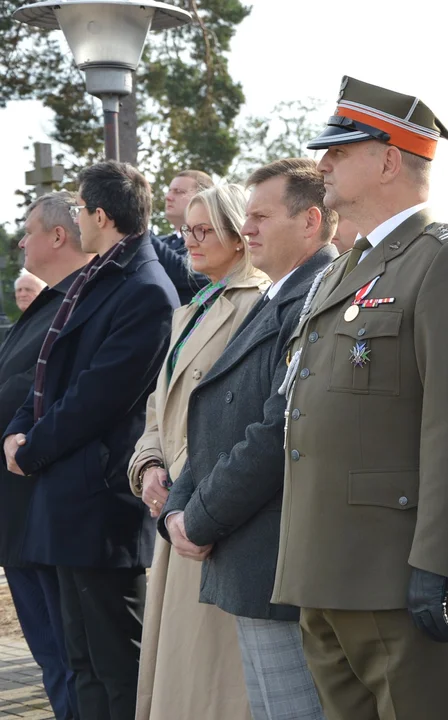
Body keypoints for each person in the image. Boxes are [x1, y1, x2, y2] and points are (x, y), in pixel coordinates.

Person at [270, 76, 448, 720]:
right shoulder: (343, 271)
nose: (322, 162)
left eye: (341, 150)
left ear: (387, 159)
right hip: (327, 570)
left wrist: (439, 560)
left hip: (399, 573)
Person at [160, 160, 336, 720]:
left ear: (310, 223)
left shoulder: (313, 299)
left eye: (260, 215)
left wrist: (199, 516)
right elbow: (214, 414)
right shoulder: (278, 297)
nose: (248, 227)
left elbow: (276, 428)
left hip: (272, 556)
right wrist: (180, 502)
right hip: (247, 551)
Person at [2, 161, 179, 720]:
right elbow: (46, 376)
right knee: (82, 664)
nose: (75, 217)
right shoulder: (100, 277)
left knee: (113, 666)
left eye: (79, 208)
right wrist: (17, 430)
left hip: (101, 504)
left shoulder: (145, 289)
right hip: (67, 499)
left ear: (101, 215)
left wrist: (29, 448)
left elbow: (95, 397)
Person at [128, 184, 267, 720]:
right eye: (186, 229)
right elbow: (157, 409)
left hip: (207, 508)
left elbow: (240, 416)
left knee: (208, 678)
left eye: (203, 229)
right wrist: (148, 465)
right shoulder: (191, 309)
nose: (188, 240)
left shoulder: (256, 303)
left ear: (237, 235)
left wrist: (181, 482)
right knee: (177, 672)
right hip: (173, 500)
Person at [0, 192, 91, 720]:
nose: (21, 241)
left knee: (71, 658)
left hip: (52, 512)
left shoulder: (79, 305)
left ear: (58, 235)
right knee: (52, 658)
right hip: (22, 516)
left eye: (29, 230)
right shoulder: (45, 307)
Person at [154, 171, 213, 304]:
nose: (168, 197)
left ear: (202, 196)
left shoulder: (210, 242)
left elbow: (189, 274)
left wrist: (141, 234)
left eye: (178, 192)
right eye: (169, 191)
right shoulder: (160, 242)